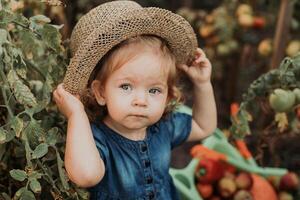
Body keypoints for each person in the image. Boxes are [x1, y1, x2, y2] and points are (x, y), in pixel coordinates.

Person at [53, 1, 217, 199]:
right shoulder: (97, 139)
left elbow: (203, 126)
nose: (141, 100)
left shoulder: (163, 128)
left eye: (154, 90)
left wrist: (202, 85)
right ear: (101, 93)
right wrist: (76, 114)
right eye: (126, 87)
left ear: (168, 96)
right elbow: (85, 176)